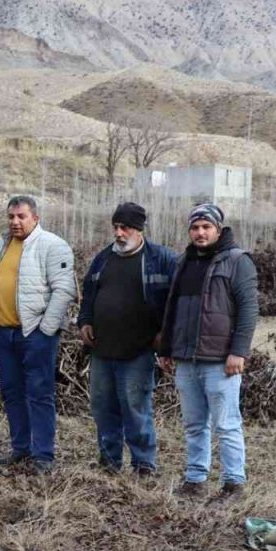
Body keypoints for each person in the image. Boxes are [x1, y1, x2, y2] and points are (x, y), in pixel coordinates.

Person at [158, 202, 259, 502]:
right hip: (186, 360)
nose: (200, 233)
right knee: (193, 424)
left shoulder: (238, 261)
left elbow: (249, 310)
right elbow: (172, 309)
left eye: (206, 227)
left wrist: (238, 352)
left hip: (220, 361)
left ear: (218, 229)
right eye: (195, 227)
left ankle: (233, 484)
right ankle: (195, 480)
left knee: (226, 424)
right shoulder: (184, 262)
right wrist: (166, 349)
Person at [77, 202, 177, 477]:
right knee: (102, 407)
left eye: (126, 228)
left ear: (139, 229)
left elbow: (176, 302)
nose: (119, 233)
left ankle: (143, 463)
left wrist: (164, 336)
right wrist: (85, 320)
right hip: (102, 349)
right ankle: (109, 461)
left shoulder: (162, 259)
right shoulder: (103, 258)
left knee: (135, 407)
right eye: (116, 227)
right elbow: (88, 293)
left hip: (139, 350)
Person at [0, 195, 76, 474]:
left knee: (39, 394)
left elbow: (64, 291)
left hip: (35, 333)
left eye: (21, 216)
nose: (15, 221)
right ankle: (21, 449)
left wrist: (45, 330)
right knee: (12, 392)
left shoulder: (53, 245)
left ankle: (43, 455)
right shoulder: (3, 244)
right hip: (5, 332)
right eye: (11, 216)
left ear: (35, 218)